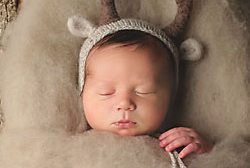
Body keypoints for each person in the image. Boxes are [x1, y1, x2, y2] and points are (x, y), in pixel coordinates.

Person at [80, 28, 213, 159]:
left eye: (144, 91)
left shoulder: (174, 145)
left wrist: (206, 151)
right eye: (106, 92)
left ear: (170, 97)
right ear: (82, 93)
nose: (125, 103)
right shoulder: (75, 148)